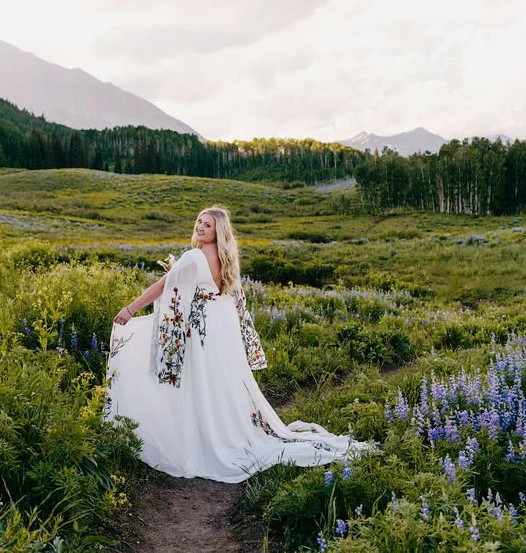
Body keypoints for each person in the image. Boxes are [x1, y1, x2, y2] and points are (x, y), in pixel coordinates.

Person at [104, 206, 370, 483]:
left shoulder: (195, 255)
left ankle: (202, 437)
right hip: (220, 328)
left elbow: (163, 285)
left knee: (200, 382)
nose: (200, 227)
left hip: (202, 329)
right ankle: (223, 430)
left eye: (208, 225)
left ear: (218, 230)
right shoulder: (226, 256)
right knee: (219, 383)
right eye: (199, 221)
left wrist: (130, 309)